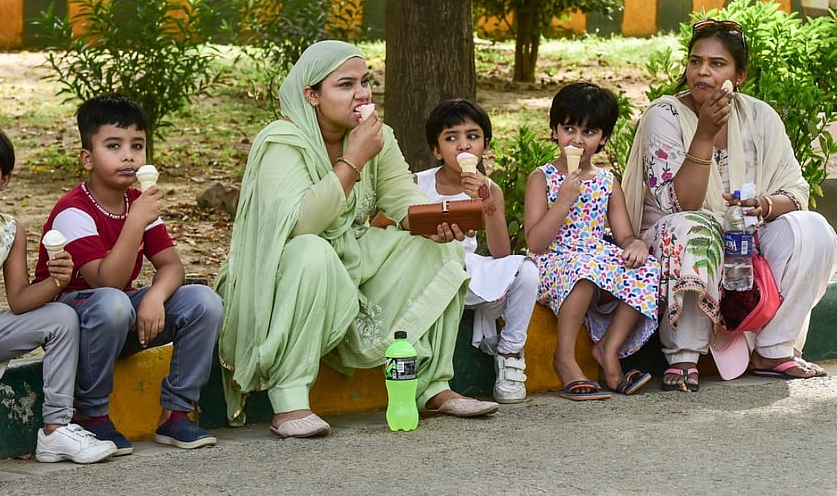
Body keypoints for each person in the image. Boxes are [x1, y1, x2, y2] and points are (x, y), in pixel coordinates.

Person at [214, 40, 499, 439]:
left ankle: (431, 385)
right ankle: (289, 398)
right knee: (312, 252)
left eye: (364, 82)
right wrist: (355, 160)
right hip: (287, 270)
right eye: (345, 85)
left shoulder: (375, 137)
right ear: (311, 95)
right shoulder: (282, 140)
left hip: (351, 257)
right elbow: (300, 226)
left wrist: (437, 224)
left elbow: (405, 200)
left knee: (441, 248)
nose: (362, 93)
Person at [621, 18, 837, 391]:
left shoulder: (759, 116)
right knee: (695, 226)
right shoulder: (665, 115)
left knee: (816, 229)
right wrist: (703, 134)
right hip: (673, 240)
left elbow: (796, 191)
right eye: (695, 61)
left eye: (717, 64)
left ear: (739, 76)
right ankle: (683, 352)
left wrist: (765, 205)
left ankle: (774, 347)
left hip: (745, 242)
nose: (702, 71)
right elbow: (679, 204)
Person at [33, 94, 224, 454]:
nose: (128, 156)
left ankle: (176, 413)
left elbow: (172, 266)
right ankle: (92, 416)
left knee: (204, 301)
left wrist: (154, 296)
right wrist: (136, 221)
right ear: (87, 158)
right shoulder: (73, 211)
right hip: (80, 322)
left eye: (137, 146)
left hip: (121, 316)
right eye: (113, 145)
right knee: (113, 302)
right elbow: (106, 282)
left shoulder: (137, 202)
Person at [0, 125, 117, 487]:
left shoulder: (9, 229)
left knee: (62, 315)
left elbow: (19, 300)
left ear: (5, 180)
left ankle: (56, 428)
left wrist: (56, 282)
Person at [524, 83, 660, 400]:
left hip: (595, 257)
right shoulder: (542, 178)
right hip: (553, 260)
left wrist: (635, 245)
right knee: (584, 271)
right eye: (569, 129)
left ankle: (608, 351)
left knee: (647, 270)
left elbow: (623, 233)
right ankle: (565, 359)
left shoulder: (606, 181)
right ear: (555, 131)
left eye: (589, 132)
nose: (577, 140)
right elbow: (536, 242)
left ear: (603, 139)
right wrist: (563, 202)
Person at [414, 98, 540, 404]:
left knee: (526, 270)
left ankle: (510, 353)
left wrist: (487, 201)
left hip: (468, 273)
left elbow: (500, 252)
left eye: (472, 136)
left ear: (485, 145)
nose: (463, 146)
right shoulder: (417, 184)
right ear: (436, 149)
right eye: (451, 137)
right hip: (427, 273)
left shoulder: (489, 188)